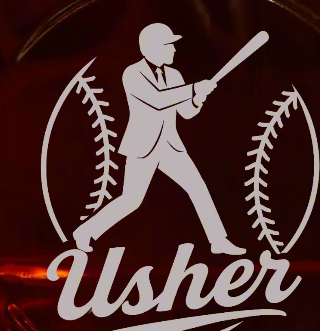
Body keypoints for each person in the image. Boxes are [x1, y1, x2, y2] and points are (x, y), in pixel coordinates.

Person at [73, 23, 246, 255]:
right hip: (143, 145)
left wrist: (198, 98)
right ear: (152, 48)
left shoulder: (174, 74)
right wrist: (193, 88)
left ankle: (218, 241)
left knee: (198, 187)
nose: (174, 50)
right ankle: (85, 232)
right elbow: (157, 101)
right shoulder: (132, 73)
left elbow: (186, 113)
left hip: (170, 145)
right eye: (168, 45)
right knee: (131, 199)